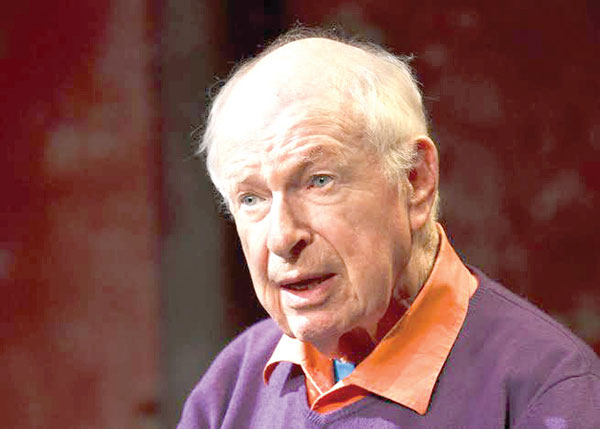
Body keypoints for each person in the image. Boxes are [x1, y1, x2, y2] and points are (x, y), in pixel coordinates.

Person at [178, 28, 600, 428]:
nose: (282, 237)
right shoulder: (233, 384)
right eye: (251, 199)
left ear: (415, 180)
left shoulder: (548, 392)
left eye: (319, 181)